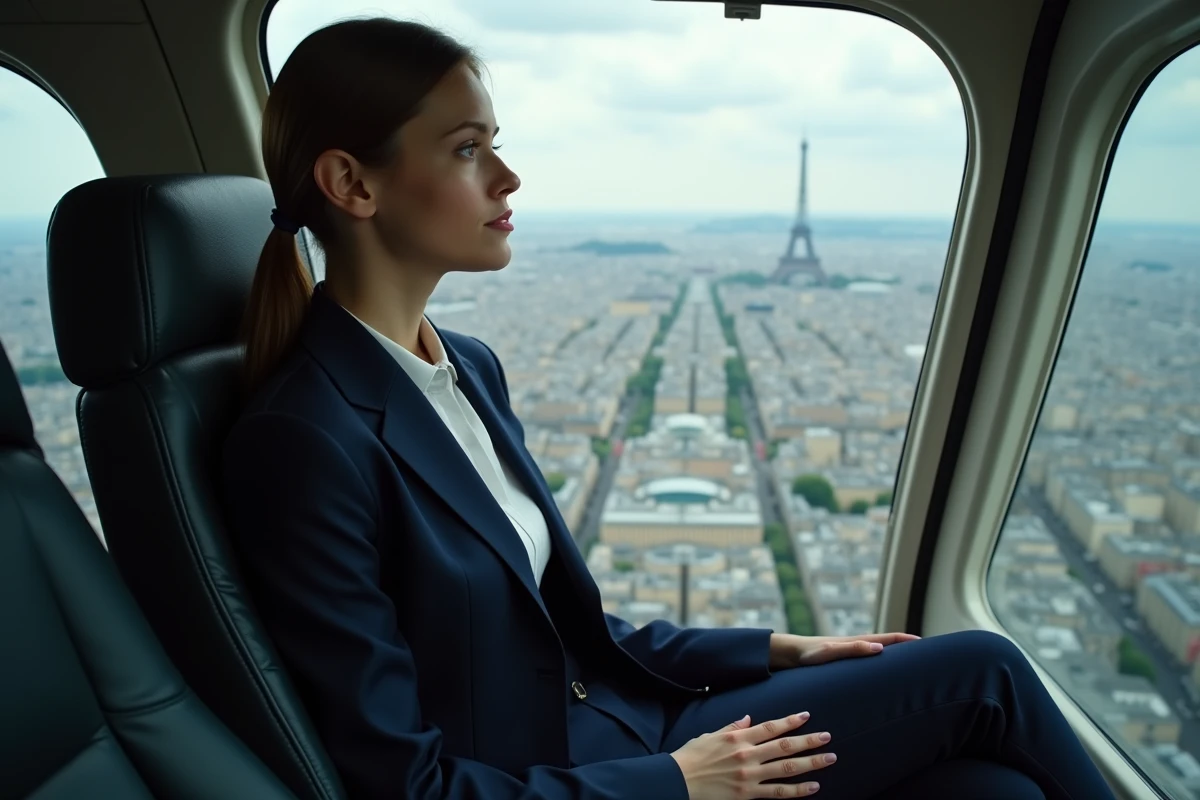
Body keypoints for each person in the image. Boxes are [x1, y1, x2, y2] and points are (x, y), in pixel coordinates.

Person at [220, 17, 1119, 800]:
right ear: (353, 183)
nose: (509, 177)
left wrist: (770, 649)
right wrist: (678, 785)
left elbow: (564, 634)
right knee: (985, 669)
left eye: (496, 142)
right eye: (466, 148)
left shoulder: (468, 368)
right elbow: (404, 786)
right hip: (584, 776)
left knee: (995, 791)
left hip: (630, 734)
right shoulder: (304, 441)